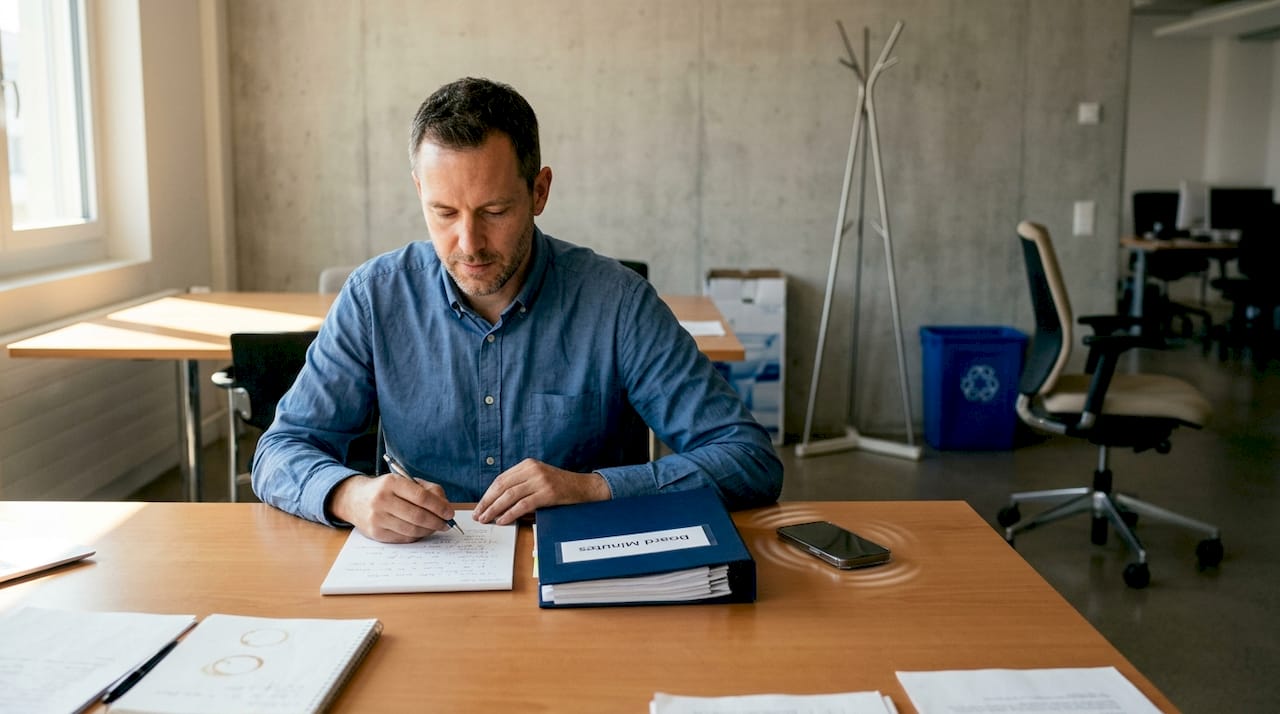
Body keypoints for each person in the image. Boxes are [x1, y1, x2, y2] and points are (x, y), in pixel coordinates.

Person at [252, 77, 782, 543]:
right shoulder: (375, 297)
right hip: (423, 577)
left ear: (539, 191)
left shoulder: (617, 303)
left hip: (589, 585)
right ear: (419, 192)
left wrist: (593, 488)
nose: (469, 243)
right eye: (443, 212)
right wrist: (349, 494)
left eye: (495, 211)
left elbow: (749, 459)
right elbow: (280, 451)